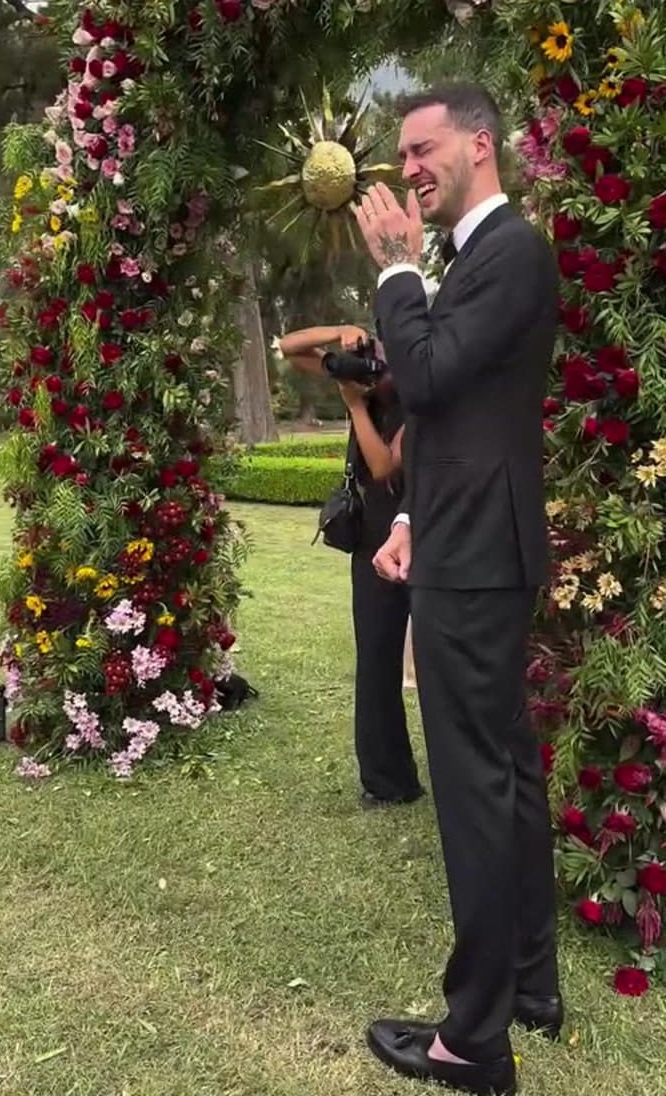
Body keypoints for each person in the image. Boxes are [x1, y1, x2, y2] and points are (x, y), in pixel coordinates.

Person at [351, 82, 560, 1096]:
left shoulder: (510, 248)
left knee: (477, 788)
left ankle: (473, 1042)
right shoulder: (482, 258)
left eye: (423, 148)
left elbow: (424, 378)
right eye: (401, 155)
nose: (408, 170)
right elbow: (457, 411)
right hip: (468, 541)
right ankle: (531, 981)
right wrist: (406, 518)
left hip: (479, 562)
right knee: (508, 772)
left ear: (481, 143)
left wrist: (395, 270)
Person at [279, 323, 423, 809]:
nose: (374, 368)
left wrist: (357, 406)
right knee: (377, 658)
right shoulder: (360, 378)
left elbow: (385, 466)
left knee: (439, 661)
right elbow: (288, 346)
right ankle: (388, 780)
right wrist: (341, 333)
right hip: (371, 540)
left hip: (420, 529)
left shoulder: (417, 398)